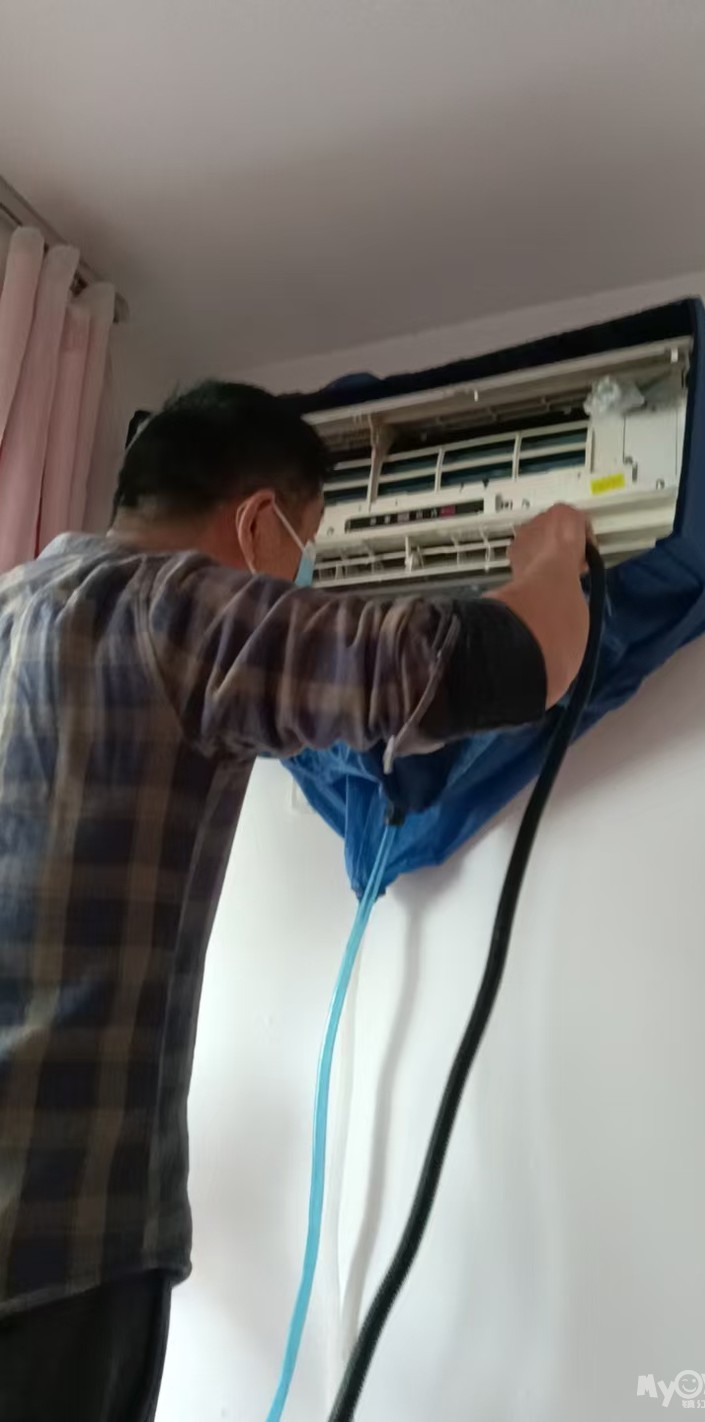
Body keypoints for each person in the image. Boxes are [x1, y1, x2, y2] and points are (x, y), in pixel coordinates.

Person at [0, 381, 590, 1421]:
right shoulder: (176, 605)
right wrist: (552, 561)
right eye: (304, 547)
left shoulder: (15, 603)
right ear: (258, 522)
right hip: (63, 1242)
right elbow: (505, 663)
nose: (299, 573)